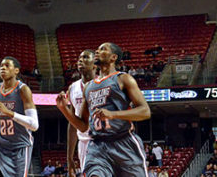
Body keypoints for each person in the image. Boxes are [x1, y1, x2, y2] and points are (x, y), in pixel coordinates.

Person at [55, 43, 151, 177]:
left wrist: (113, 114)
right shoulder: (89, 86)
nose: (97, 51)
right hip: (97, 145)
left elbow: (145, 111)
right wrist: (64, 109)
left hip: (124, 142)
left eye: (102, 49)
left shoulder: (123, 78)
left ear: (113, 57)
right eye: (98, 49)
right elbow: (82, 126)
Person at [0, 57, 39, 177]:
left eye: (7, 66)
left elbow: (34, 125)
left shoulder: (23, 90)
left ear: (16, 71)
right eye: (1, 66)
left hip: (19, 146)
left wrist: (9, 112)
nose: (3, 68)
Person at [68, 50, 97, 177]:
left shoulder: (105, 84)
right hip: (84, 143)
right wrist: (69, 156)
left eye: (85, 57)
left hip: (104, 140)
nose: (80, 60)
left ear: (94, 65)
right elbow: (72, 123)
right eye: (79, 57)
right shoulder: (72, 88)